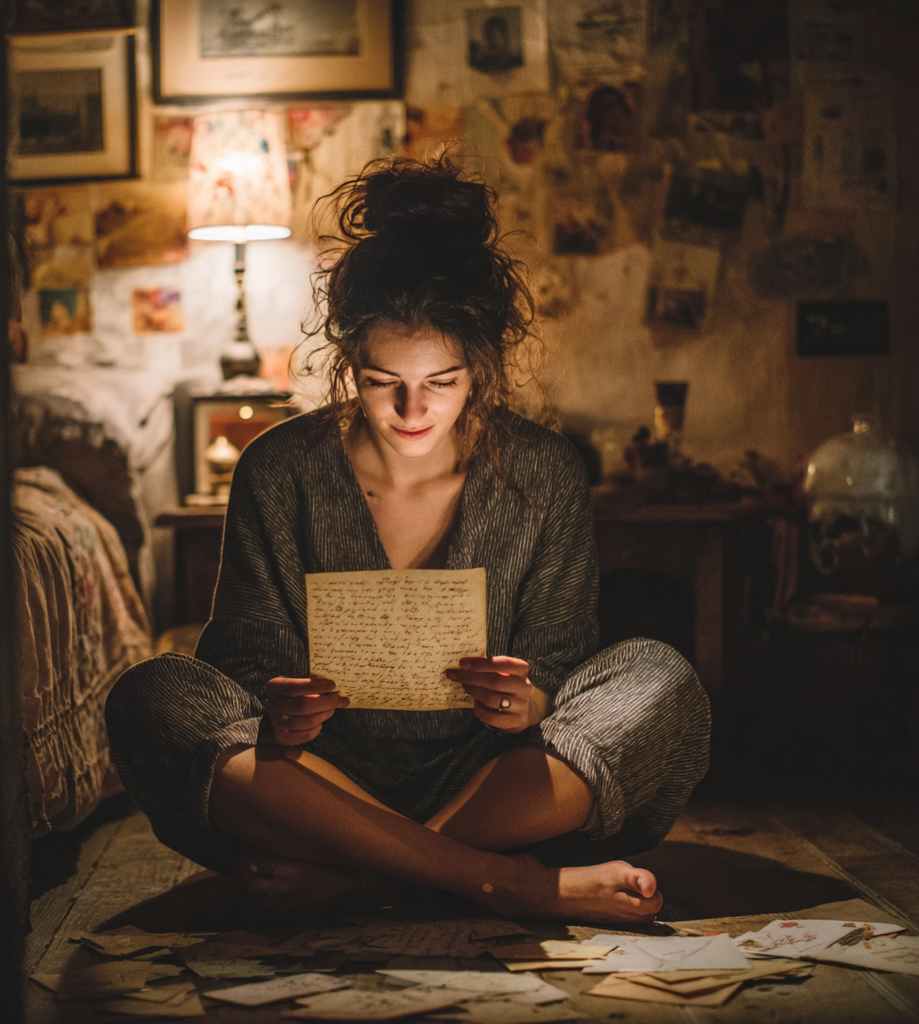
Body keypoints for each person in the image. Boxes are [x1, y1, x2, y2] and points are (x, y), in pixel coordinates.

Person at [106, 157, 710, 924]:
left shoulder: (542, 471)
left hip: (493, 781)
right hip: (317, 782)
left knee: (659, 677)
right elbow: (243, 664)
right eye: (380, 379)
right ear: (347, 361)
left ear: (482, 366)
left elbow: (560, 655)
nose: (411, 409)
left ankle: (368, 878)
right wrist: (281, 708)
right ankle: (494, 882)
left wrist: (526, 703)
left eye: (444, 381)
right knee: (151, 694)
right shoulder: (280, 467)